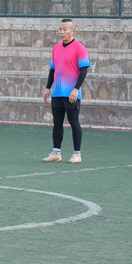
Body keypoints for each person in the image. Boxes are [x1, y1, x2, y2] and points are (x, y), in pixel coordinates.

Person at [42, 18, 91, 164]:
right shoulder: (56, 48)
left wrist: (76, 89)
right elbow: (52, 70)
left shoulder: (79, 48)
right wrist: (48, 87)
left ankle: (77, 154)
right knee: (57, 123)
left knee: (73, 122)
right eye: (60, 29)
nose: (62, 32)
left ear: (72, 31)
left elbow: (84, 70)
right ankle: (56, 153)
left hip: (71, 94)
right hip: (57, 93)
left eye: (65, 29)